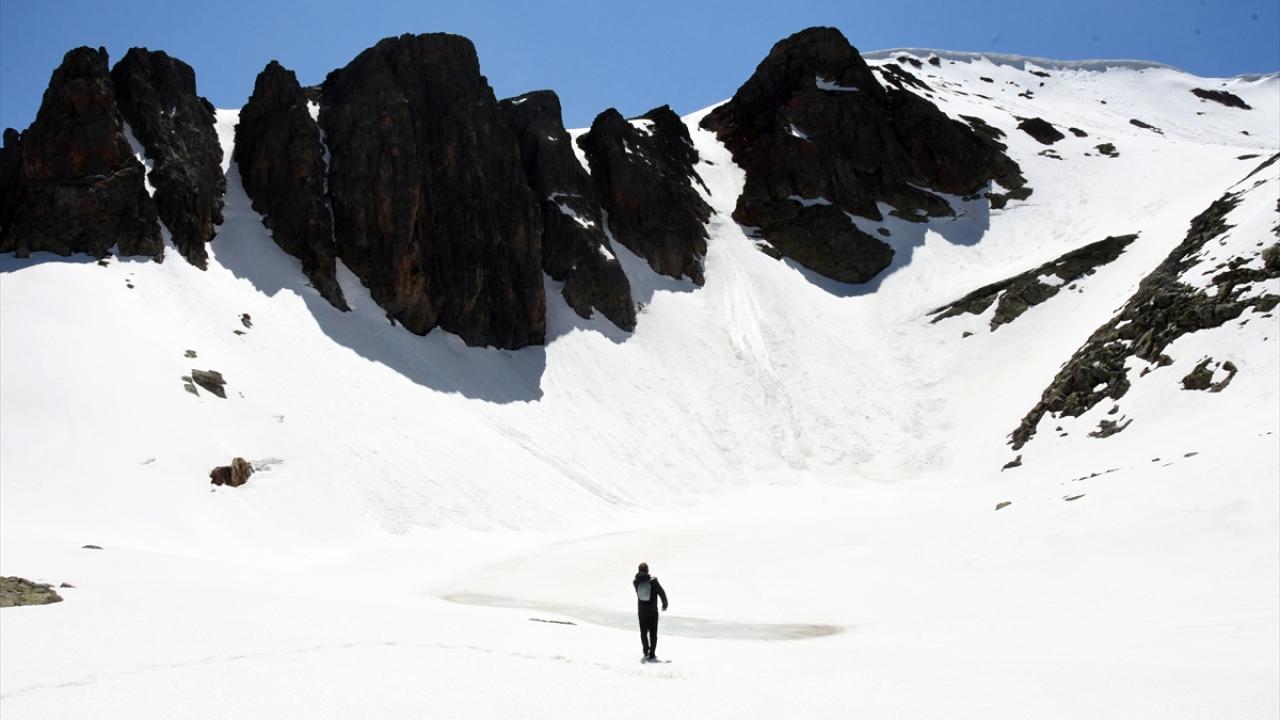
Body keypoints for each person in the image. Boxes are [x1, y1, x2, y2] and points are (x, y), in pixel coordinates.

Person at [633, 562, 668, 661]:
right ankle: (652, 653)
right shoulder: (653, 582)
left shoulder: (636, 582)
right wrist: (664, 604)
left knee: (643, 632)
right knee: (653, 633)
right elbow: (661, 593)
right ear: (648, 570)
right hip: (652, 611)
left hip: (642, 611)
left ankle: (645, 651)